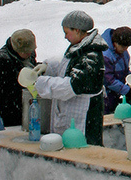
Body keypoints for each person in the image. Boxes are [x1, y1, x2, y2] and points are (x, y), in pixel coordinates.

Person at [35, 11, 107, 145]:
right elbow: (67, 65)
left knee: (83, 151)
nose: (65, 37)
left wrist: (41, 83)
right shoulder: (80, 47)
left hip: (85, 118)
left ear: (78, 31)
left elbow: (72, 86)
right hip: (72, 116)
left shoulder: (91, 56)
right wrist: (48, 66)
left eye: (67, 32)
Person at [0, 29, 37, 127]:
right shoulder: (1, 61)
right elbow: (2, 95)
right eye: (26, 52)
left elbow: (31, 65)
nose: (29, 54)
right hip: (10, 111)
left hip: (25, 104)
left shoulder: (28, 52)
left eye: (31, 51)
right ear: (17, 50)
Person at [102, 26, 131, 114]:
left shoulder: (123, 53)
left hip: (116, 92)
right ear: (115, 42)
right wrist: (126, 90)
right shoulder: (106, 55)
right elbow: (108, 80)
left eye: (127, 47)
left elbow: (124, 70)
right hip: (106, 93)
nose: (125, 49)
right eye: (123, 46)